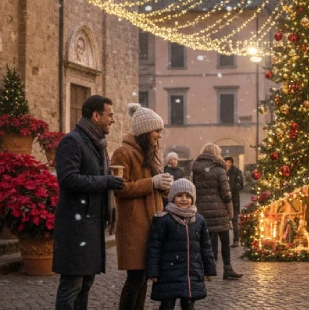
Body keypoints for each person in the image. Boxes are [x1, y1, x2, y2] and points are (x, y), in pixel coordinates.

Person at [53, 95, 127, 310]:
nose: (112, 120)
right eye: (110, 115)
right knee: (72, 285)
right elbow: (67, 179)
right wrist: (105, 181)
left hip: (91, 224)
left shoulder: (98, 144)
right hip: (75, 226)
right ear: (96, 116)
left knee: (86, 284)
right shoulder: (72, 141)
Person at [112, 105, 175, 310]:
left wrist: (164, 187)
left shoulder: (151, 153)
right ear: (145, 131)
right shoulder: (122, 153)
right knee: (135, 278)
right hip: (134, 225)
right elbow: (120, 188)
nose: (159, 135)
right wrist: (152, 183)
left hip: (152, 224)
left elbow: (154, 187)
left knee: (144, 277)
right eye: (156, 131)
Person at [147, 179, 217, 310]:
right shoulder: (163, 219)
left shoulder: (199, 220)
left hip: (191, 272)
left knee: (189, 304)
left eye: (188, 196)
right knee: (167, 304)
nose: (184, 199)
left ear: (193, 199)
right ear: (172, 197)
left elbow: (206, 246)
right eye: (179, 195)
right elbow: (154, 247)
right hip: (168, 272)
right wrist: (153, 271)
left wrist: (210, 269)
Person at [192, 143, 242, 280]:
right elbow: (226, 193)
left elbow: (193, 190)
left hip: (202, 210)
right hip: (219, 211)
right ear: (216, 154)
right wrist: (229, 208)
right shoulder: (220, 170)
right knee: (225, 241)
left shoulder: (196, 170)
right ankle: (227, 269)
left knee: (205, 242)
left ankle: (206, 271)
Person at [223, 156, 244, 247]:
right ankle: (225, 241)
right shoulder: (222, 171)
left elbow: (241, 185)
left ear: (231, 163)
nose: (227, 164)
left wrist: (232, 189)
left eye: (229, 162)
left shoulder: (236, 172)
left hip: (234, 199)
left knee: (235, 219)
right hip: (223, 199)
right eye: (226, 162)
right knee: (224, 221)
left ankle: (236, 240)